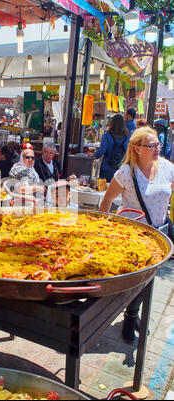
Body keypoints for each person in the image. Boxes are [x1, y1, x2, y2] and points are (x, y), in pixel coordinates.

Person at [99, 126, 174, 344]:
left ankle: (134, 313)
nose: (156, 148)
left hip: (160, 234)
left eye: (158, 144)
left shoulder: (168, 168)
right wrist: (104, 229)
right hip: (134, 237)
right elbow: (106, 202)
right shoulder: (125, 173)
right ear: (137, 148)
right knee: (138, 281)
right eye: (151, 145)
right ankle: (130, 317)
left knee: (150, 280)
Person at [94, 114, 130, 183]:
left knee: (104, 190)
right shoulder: (127, 136)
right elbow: (127, 151)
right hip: (120, 168)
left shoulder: (107, 135)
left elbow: (102, 151)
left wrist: (94, 154)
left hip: (106, 167)